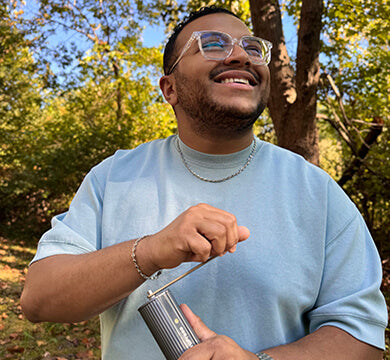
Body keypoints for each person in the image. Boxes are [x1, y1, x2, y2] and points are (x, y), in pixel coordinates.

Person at [21, 6, 387, 360]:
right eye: (212, 43)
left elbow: (362, 337)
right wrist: (150, 251)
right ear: (170, 89)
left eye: (252, 47)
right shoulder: (114, 177)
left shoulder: (319, 193)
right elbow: (38, 299)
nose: (241, 57)